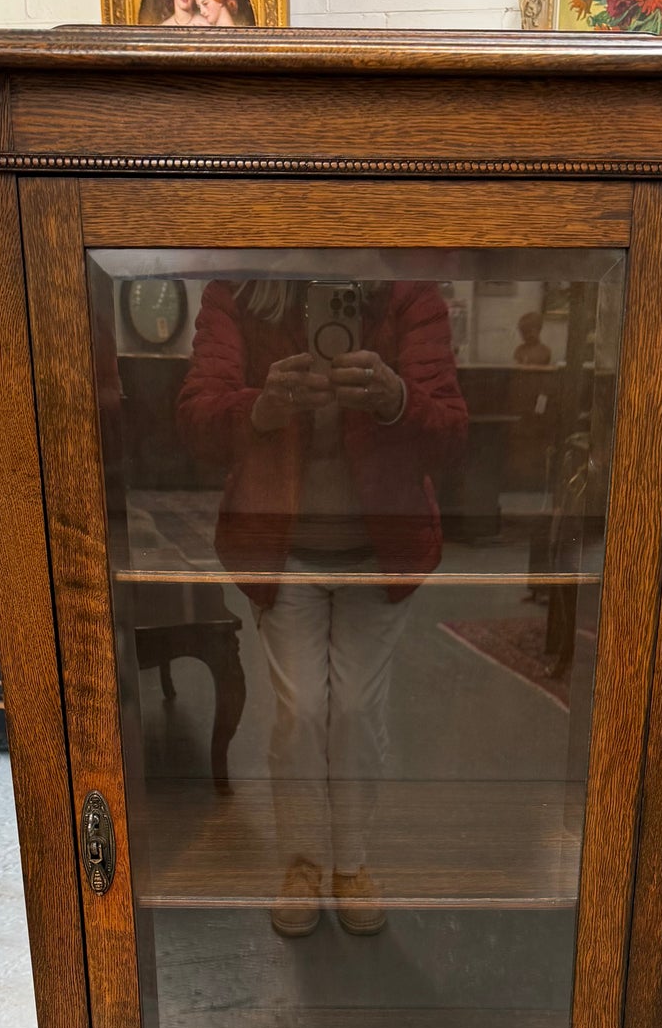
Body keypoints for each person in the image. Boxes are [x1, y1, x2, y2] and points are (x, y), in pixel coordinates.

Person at [178, 279, 468, 936]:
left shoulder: (407, 299)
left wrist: (396, 400)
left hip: (379, 546)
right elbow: (196, 423)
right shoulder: (242, 295)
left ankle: (349, 861)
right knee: (304, 711)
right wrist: (260, 409)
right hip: (284, 550)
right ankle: (305, 861)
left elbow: (451, 437)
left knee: (357, 710)